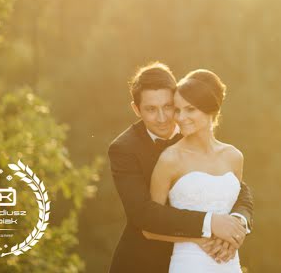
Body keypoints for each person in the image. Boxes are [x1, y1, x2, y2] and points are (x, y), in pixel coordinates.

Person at [108, 63, 253, 273]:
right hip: (146, 262)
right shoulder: (124, 149)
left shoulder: (194, 129)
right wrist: (209, 226)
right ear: (136, 109)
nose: (163, 117)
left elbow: (237, 189)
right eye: (150, 109)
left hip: (216, 257)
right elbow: (143, 214)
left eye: (168, 106)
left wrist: (237, 225)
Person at [144, 68, 247, 272]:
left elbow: (238, 208)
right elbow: (150, 228)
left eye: (190, 109)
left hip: (229, 264)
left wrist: (231, 239)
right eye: (178, 110)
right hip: (189, 264)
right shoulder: (170, 159)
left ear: (210, 110)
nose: (181, 117)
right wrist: (198, 238)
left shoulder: (234, 157)